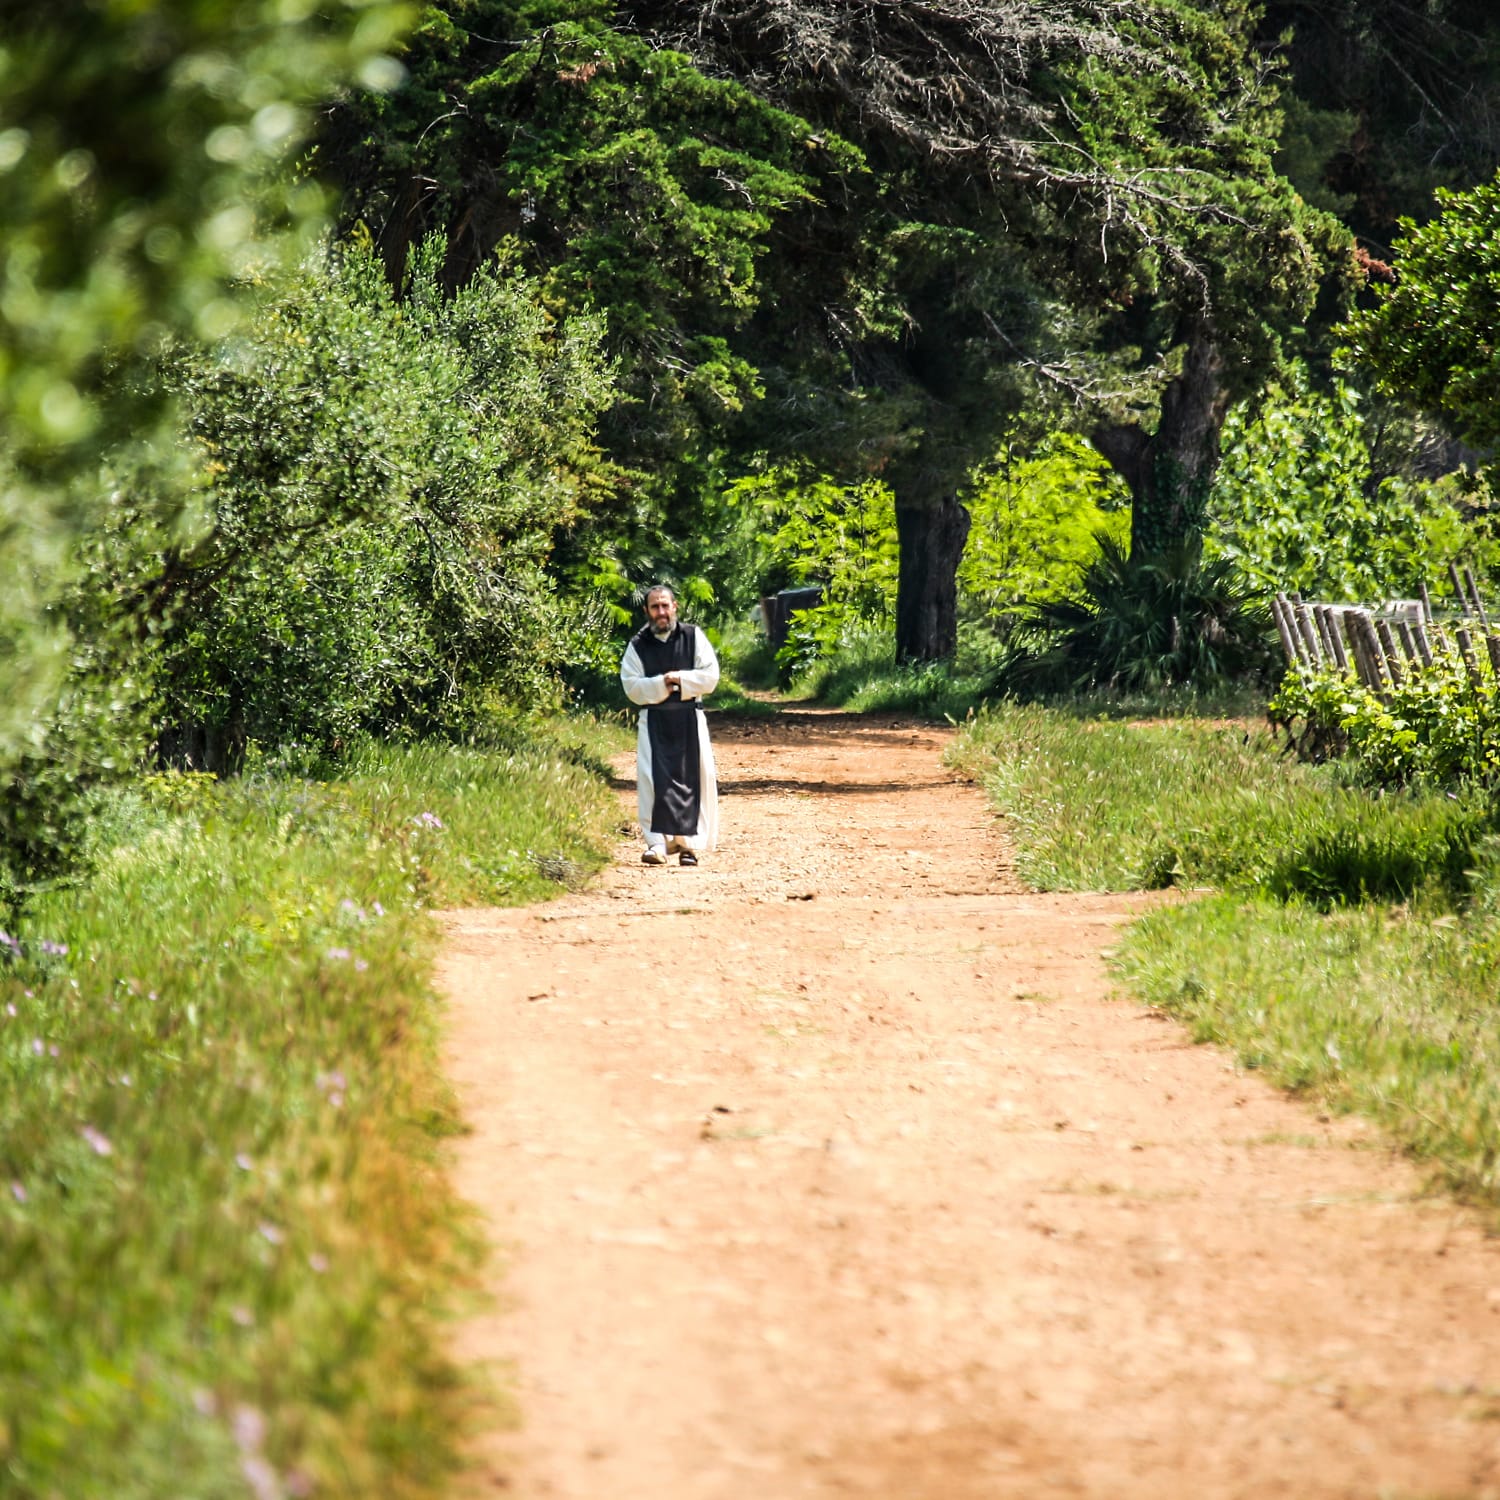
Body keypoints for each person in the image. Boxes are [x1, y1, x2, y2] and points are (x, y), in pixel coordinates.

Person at [620, 584, 720, 866]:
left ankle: (689, 846)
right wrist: (661, 683)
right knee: (654, 781)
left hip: (689, 717)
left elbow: (710, 676)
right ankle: (656, 845)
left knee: (693, 780)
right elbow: (631, 685)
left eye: (665, 605)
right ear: (646, 611)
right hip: (654, 720)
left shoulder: (693, 636)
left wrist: (681, 679)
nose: (661, 612)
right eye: (655, 607)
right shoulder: (638, 645)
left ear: (674, 606)